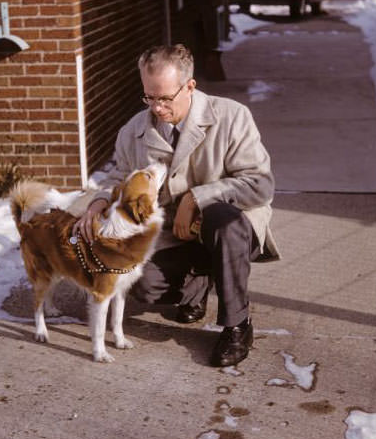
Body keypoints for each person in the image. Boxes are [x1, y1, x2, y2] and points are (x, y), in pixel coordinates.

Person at [74, 44, 279, 367]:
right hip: (175, 235)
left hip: (229, 227)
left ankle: (237, 325)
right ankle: (197, 286)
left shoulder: (232, 116)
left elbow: (261, 184)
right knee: (140, 282)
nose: (156, 108)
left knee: (223, 221)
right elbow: (118, 177)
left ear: (190, 86)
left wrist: (197, 197)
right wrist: (97, 202)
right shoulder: (133, 131)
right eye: (149, 97)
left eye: (165, 98)